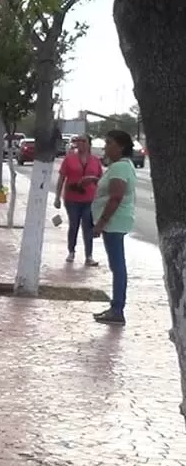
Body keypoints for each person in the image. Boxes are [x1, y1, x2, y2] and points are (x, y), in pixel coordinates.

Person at [91, 130, 139, 326]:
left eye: (109, 143)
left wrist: (101, 223)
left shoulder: (119, 167)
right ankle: (116, 307)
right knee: (117, 265)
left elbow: (116, 197)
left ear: (120, 146)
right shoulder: (123, 165)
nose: (106, 147)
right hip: (117, 221)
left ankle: (117, 309)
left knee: (117, 266)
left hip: (114, 222)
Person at [54, 134, 102, 266]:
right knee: (74, 224)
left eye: (83, 141)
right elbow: (61, 178)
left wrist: (92, 180)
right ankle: (71, 251)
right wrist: (57, 197)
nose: (80, 143)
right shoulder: (69, 159)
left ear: (89, 144)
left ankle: (89, 256)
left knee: (88, 226)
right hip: (72, 198)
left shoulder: (95, 160)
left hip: (89, 199)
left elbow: (100, 180)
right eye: (78, 141)